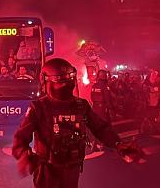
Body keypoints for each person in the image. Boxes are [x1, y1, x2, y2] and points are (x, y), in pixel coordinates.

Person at [12, 58, 141, 188]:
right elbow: (20, 138)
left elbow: (100, 128)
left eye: (67, 81)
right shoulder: (39, 107)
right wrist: (24, 154)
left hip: (72, 169)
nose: (64, 86)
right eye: (60, 82)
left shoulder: (81, 105)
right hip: (48, 171)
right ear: (47, 81)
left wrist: (118, 144)